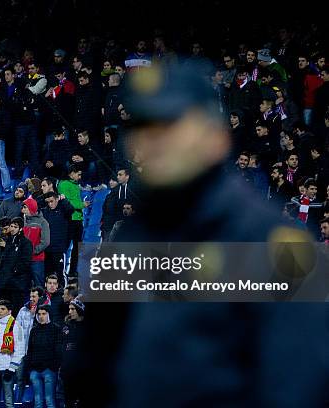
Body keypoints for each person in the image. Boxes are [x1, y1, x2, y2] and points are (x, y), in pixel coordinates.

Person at [102, 63, 327, 407]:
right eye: (143, 127)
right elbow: (96, 368)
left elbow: (299, 384)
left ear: (216, 138)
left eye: (172, 125)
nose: (155, 141)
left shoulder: (277, 241)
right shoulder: (129, 237)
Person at [27, 304, 62, 408]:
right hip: (35, 370)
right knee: (37, 402)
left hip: (49, 370)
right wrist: (30, 368)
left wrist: (54, 366)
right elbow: (30, 350)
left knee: (49, 400)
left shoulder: (56, 329)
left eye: (44, 314)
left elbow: (58, 350)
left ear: (48, 314)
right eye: (39, 314)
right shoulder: (34, 330)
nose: (41, 316)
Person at [59, 165, 90, 277]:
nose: (80, 176)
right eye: (78, 174)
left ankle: (72, 271)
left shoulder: (75, 185)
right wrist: (82, 205)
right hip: (69, 220)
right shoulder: (63, 184)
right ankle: (60, 271)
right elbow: (67, 203)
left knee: (77, 248)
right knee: (65, 246)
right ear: (71, 173)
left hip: (78, 219)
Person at [0, 217, 33, 314]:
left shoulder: (26, 243)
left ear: (20, 228)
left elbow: (26, 262)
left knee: (16, 311)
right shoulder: (9, 241)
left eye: (15, 227)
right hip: (6, 283)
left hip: (17, 283)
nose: (12, 228)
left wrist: (14, 271)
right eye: (11, 226)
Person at [42, 192, 74, 277]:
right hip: (47, 249)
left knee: (60, 274)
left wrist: (63, 200)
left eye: (52, 201)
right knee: (47, 274)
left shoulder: (63, 210)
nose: (50, 204)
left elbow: (71, 210)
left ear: (57, 199)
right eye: (48, 202)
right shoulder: (45, 212)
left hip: (59, 249)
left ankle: (61, 290)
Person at [22, 197, 51, 286]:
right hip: (24, 259)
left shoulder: (42, 222)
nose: (22, 209)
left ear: (31, 207)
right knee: (24, 284)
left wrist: (33, 251)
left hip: (36, 260)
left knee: (38, 284)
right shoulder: (22, 221)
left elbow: (46, 242)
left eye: (25, 207)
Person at [61, 299, 84, 408]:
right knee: (68, 401)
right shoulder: (66, 326)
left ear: (80, 310)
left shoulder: (87, 328)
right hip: (67, 371)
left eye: (73, 309)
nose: (70, 312)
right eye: (69, 309)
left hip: (82, 372)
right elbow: (61, 347)